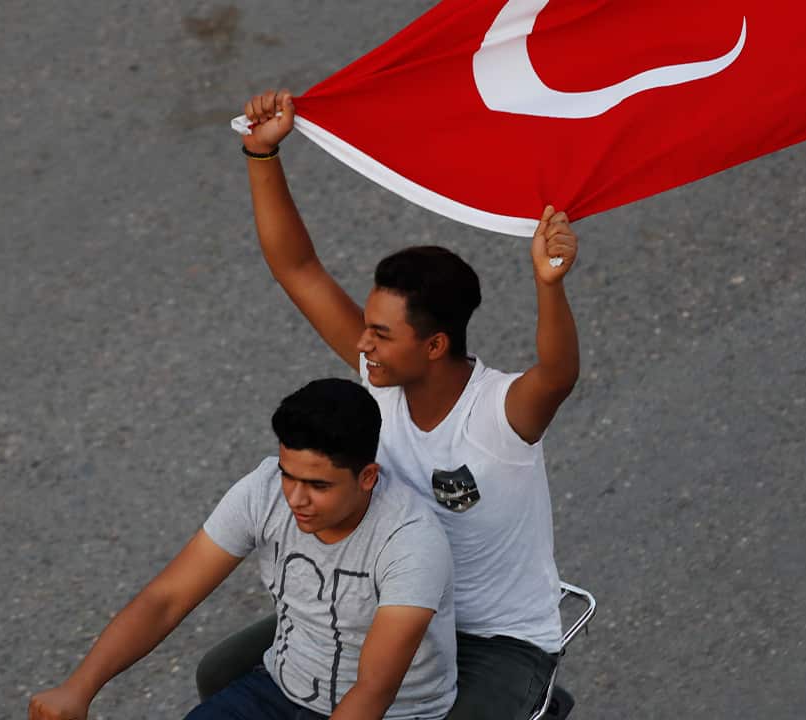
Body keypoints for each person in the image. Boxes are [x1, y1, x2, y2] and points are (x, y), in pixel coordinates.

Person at [200, 89, 581, 720]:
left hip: (494, 640)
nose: (362, 343)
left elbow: (559, 373)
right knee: (220, 674)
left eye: (381, 334)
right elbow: (298, 268)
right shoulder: (380, 379)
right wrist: (261, 155)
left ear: (434, 345)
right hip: (394, 604)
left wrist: (549, 284)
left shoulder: (499, 414)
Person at [29, 379, 457, 720]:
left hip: (396, 713)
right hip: (282, 687)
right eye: (289, 474)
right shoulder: (264, 490)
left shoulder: (411, 542)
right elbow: (167, 599)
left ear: (367, 477)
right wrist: (78, 688)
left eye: (318, 485)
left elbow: (373, 690)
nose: (295, 498)